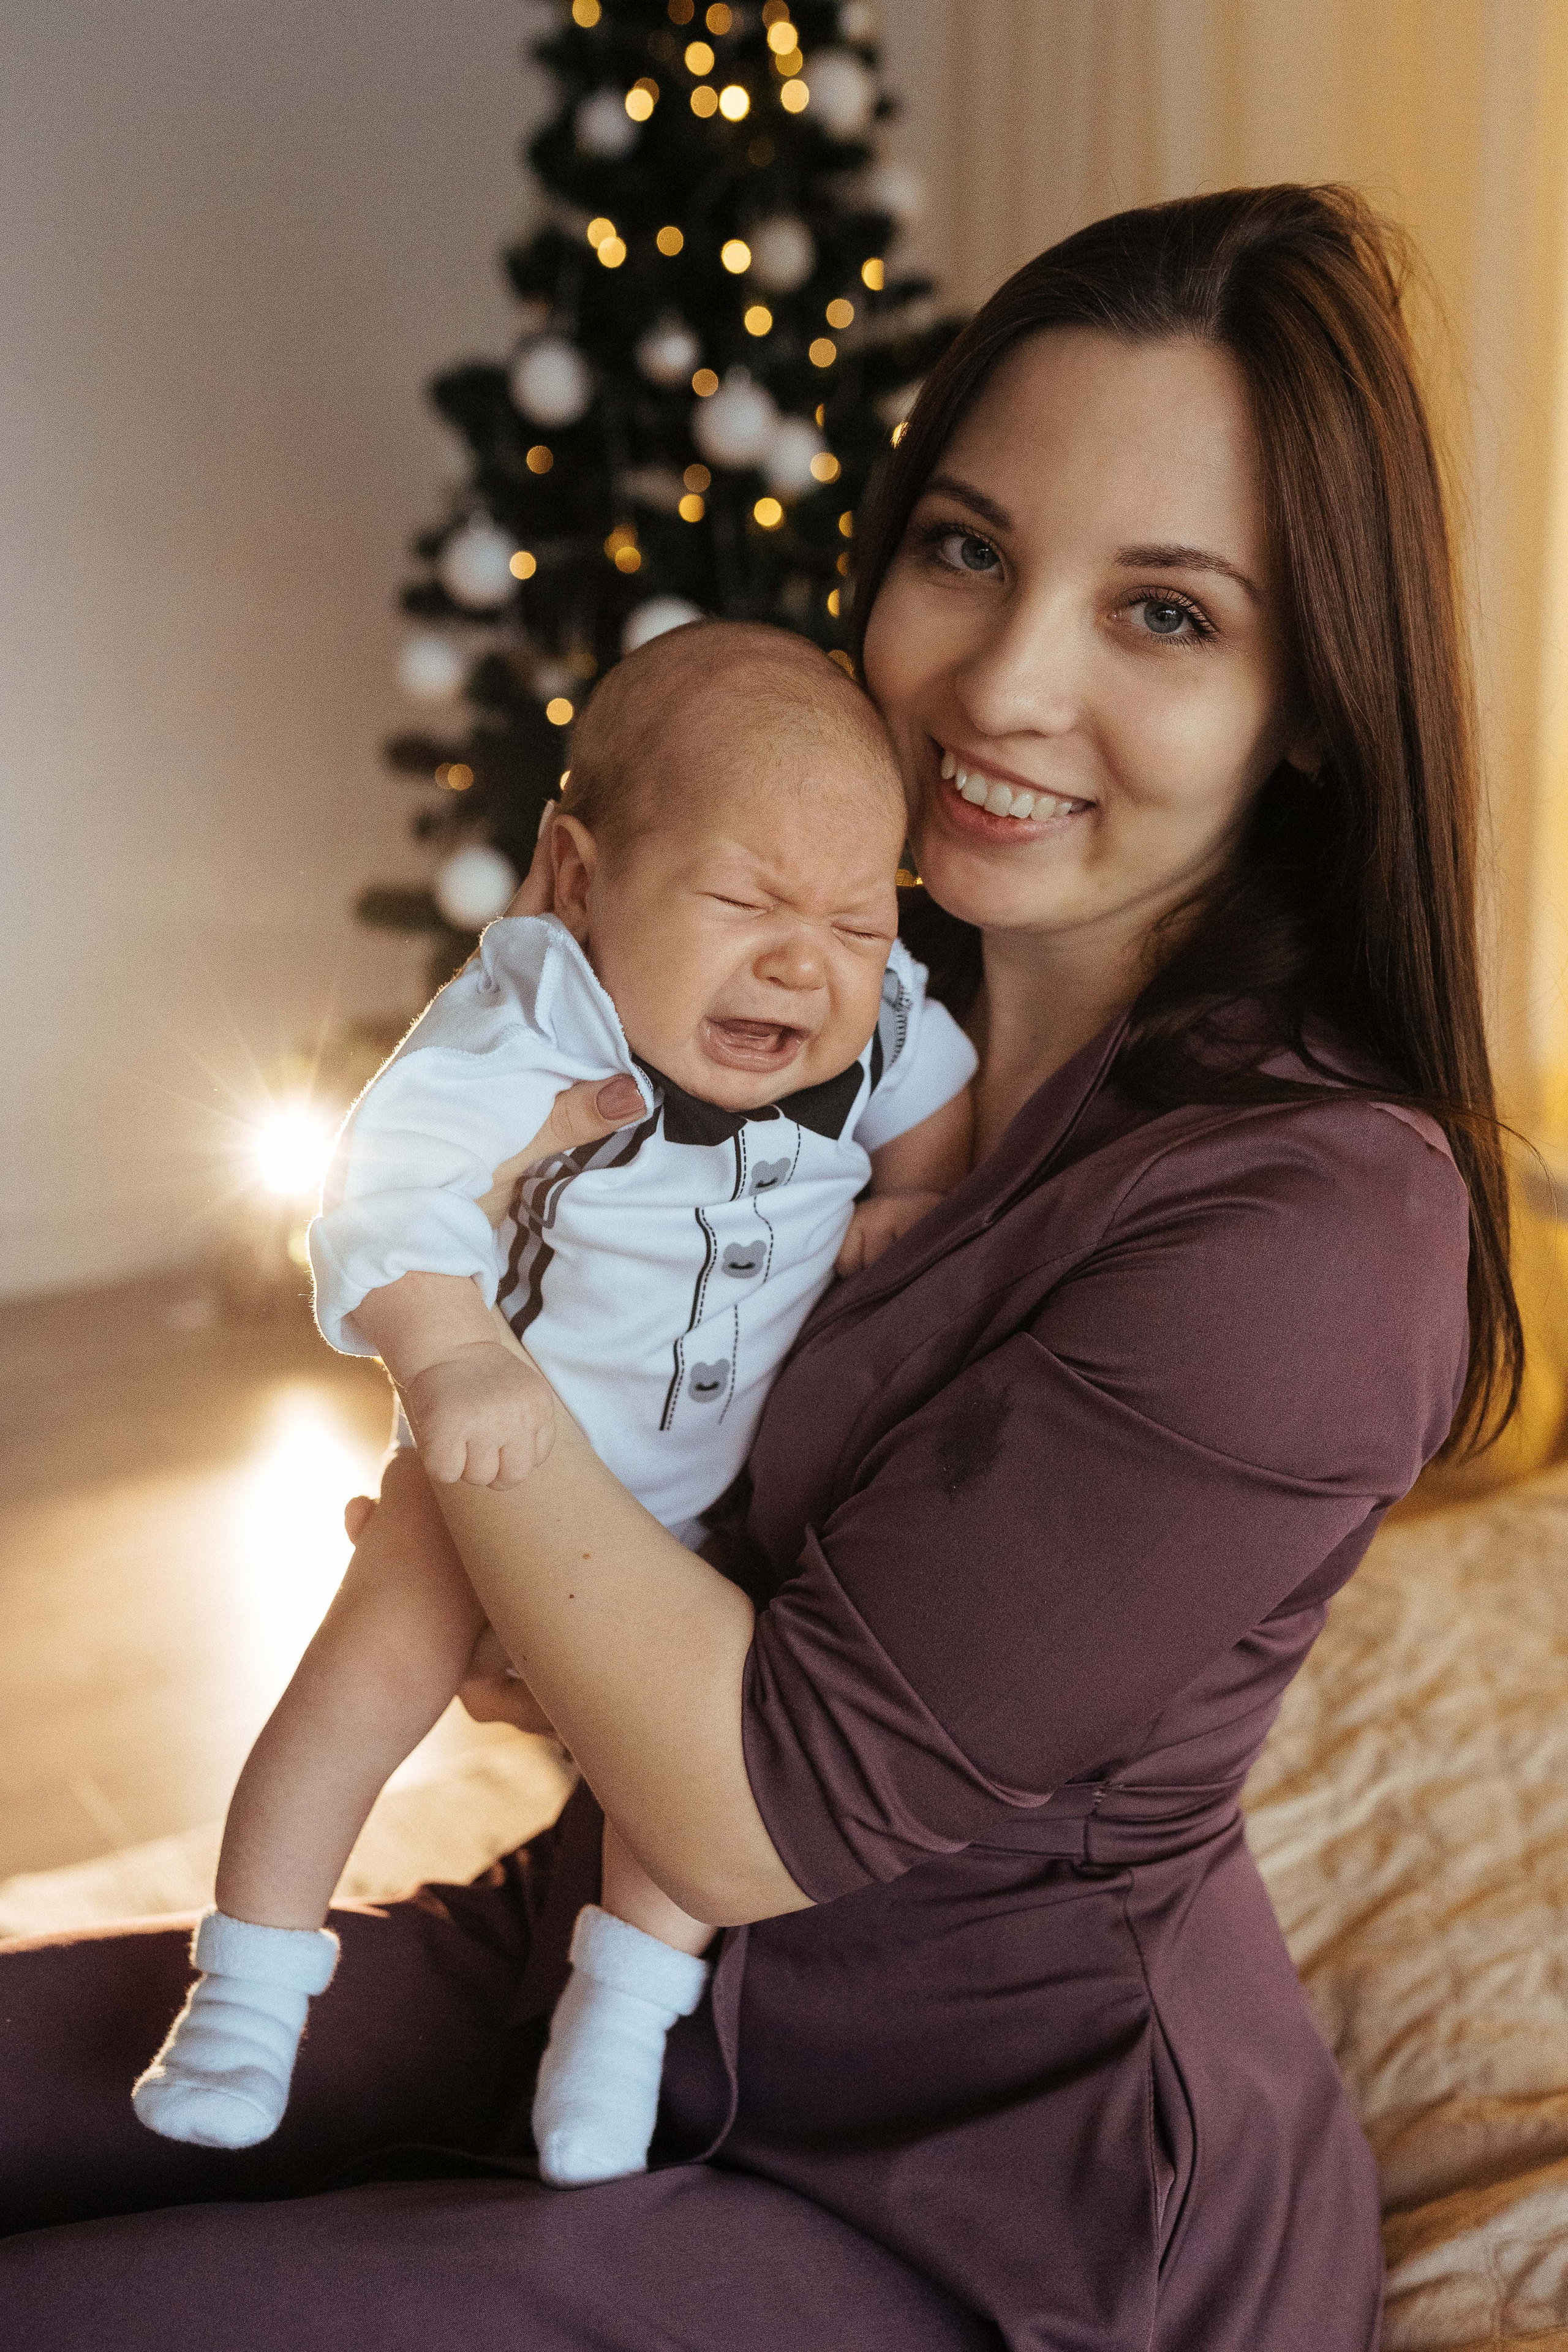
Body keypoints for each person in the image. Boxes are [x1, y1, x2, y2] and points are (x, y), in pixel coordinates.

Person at [0, 183, 1522, 2352]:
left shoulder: (1314, 1230)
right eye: (969, 550)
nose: (1003, 680)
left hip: (995, 2203)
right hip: (603, 1966)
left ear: (1311, 700)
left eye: (1166, 614)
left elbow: (732, 1798)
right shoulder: (850, 999)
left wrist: (488, 1467)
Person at [129, 623, 976, 2184]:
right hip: (493, 1468)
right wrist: (449, 1355)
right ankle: (245, 1988)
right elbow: (385, 1185)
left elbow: (943, 1104)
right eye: (743, 903)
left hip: (713, 1512)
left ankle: (622, 2015)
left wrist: (910, 1200)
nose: (806, 963)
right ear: (578, 879)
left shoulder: (881, 1029)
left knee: (699, 1764)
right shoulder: (529, 1022)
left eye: (858, 921)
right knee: (362, 1682)